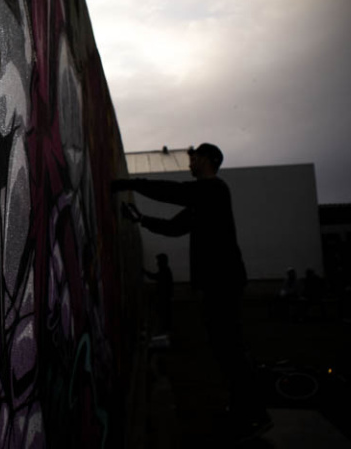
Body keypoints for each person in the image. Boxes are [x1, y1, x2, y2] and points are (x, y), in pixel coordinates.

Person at [113, 143, 272, 442]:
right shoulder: (204, 201)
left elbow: (175, 192)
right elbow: (175, 227)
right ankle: (243, 410)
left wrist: (131, 184)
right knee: (225, 348)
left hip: (223, 283)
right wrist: (141, 219)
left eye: (194, 158)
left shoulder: (214, 190)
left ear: (208, 160)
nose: (190, 162)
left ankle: (253, 415)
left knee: (230, 349)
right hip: (218, 284)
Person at [144, 253, 174, 338]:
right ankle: (166, 331)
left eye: (158, 261)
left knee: (164, 315)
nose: (157, 263)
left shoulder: (165, 271)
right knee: (165, 315)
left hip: (164, 298)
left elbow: (156, 277)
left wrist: (145, 272)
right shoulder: (166, 270)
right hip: (165, 298)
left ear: (162, 262)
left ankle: (165, 332)